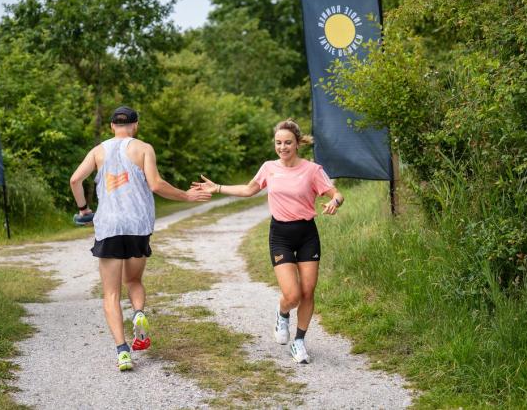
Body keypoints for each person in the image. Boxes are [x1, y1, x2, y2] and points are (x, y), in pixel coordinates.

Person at [70, 106, 211, 371]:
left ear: (112, 126)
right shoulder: (144, 148)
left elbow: (75, 180)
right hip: (137, 225)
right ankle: (139, 314)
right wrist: (187, 195)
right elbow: (156, 185)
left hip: (109, 226)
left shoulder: (98, 151)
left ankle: (123, 352)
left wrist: (83, 210)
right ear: (135, 125)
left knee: (111, 293)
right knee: (133, 280)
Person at [193, 119, 344, 364]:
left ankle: (299, 342)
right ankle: (283, 312)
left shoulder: (312, 170)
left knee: (308, 291)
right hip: (281, 235)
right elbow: (248, 190)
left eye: (287, 143)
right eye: (278, 143)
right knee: (292, 295)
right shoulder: (268, 168)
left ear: (297, 144)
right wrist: (217, 187)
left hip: (307, 233)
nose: (282, 147)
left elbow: (337, 193)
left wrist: (334, 203)